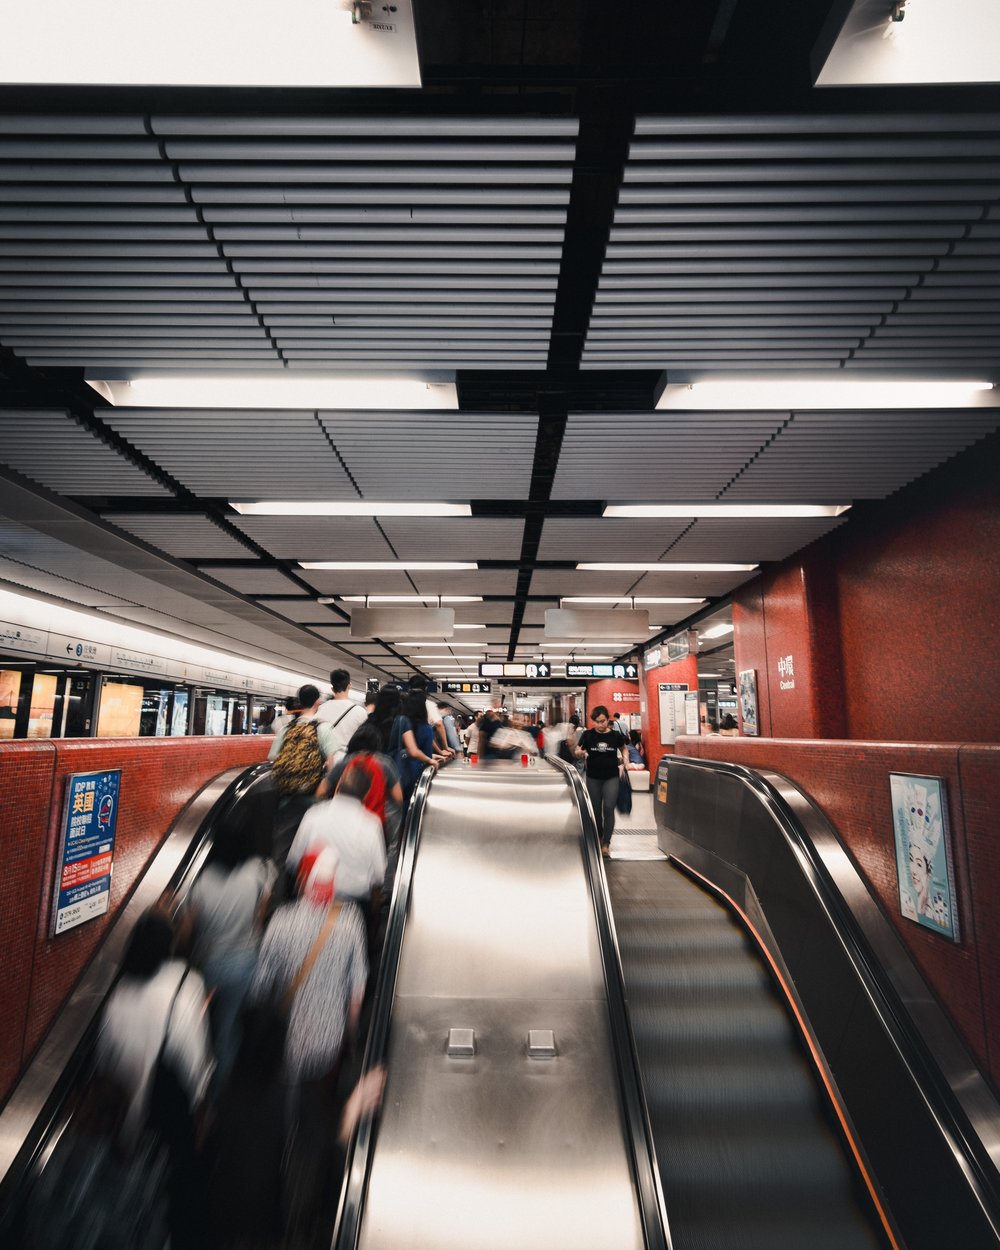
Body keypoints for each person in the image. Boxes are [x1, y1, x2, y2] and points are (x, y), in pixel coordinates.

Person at [249, 850, 367, 1241]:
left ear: (302, 883)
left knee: (282, 1108)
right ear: (333, 888)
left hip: (284, 1041)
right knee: (316, 1121)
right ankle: (310, 1195)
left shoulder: (279, 922)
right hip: (327, 1044)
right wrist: (352, 1041)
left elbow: (261, 987)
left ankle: (277, 1166)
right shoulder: (350, 924)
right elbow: (356, 995)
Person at [95, 906, 213, 1249]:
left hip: (128, 1110)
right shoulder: (183, 984)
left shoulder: (116, 996)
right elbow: (192, 1058)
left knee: (139, 1185)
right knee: (179, 1175)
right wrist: (201, 1105)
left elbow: (105, 1058)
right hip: (169, 1104)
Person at [185, 815, 276, 1088]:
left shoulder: (201, 884)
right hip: (245, 964)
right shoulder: (258, 873)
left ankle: (198, 1078)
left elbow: (188, 931)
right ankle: (219, 1088)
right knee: (228, 1028)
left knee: (199, 1026)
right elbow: (260, 918)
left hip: (209, 965)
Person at [286, 764, 387, 920]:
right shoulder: (372, 825)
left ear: (338, 785)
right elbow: (378, 878)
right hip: (354, 910)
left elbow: (293, 863)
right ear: (366, 795)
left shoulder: (313, 815)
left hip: (312, 903)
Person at [575, 705, 630, 856]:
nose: (601, 724)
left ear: (608, 719)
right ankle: (599, 837)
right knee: (596, 810)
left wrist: (625, 760)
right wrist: (580, 752)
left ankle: (606, 842)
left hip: (611, 776)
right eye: (597, 722)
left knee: (609, 807)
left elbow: (624, 748)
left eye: (603, 721)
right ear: (593, 721)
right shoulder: (588, 735)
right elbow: (577, 750)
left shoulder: (615, 735)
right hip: (593, 777)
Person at [390, 689, 444, 808]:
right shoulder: (426, 729)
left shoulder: (398, 722)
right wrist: (431, 758)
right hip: (413, 772)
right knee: (408, 803)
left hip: (394, 768)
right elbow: (425, 755)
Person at [314, 668, 368, 765]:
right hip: (349, 762)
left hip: (326, 762)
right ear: (350, 685)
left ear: (332, 688)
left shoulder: (321, 709)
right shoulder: (360, 712)